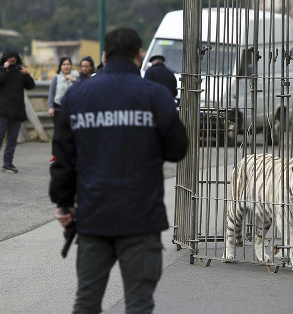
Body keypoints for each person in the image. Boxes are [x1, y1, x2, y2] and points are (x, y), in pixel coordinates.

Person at [50, 27, 188, 313]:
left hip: (93, 215)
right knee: (139, 302)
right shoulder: (156, 95)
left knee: (87, 301)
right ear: (139, 55)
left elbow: (63, 158)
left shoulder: (76, 96)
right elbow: (178, 150)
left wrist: (64, 204)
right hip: (142, 217)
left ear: (104, 55)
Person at [0, 49, 35, 173]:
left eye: (14, 57)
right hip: (2, 111)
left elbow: (31, 86)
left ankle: (8, 163)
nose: (12, 59)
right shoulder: (1, 70)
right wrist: (4, 69)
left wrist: (26, 74)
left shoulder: (20, 72)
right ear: (5, 58)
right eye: (10, 57)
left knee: (12, 139)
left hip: (17, 111)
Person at [48, 57, 79, 126]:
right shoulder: (56, 77)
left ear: (71, 66)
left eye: (68, 64)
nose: (66, 66)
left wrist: (72, 79)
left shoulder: (76, 76)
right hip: (59, 107)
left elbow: (79, 89)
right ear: (60, 66)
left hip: (72, 108)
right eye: (64, 64)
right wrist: (50, 107)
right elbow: (52, 93)